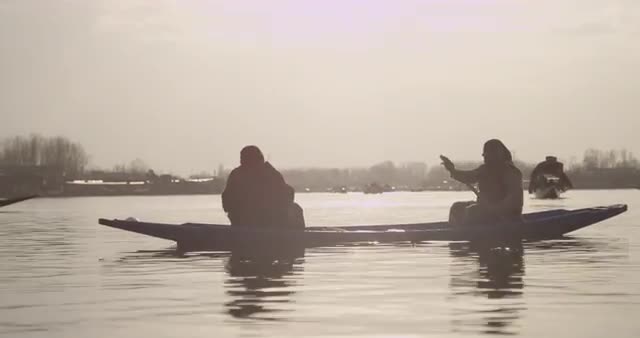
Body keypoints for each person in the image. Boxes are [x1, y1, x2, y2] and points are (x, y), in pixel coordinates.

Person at [440, 139, 523, 226]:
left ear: (498, 155)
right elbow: (469, 176)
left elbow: (514, 199)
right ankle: (455, 231)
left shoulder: (511, 172)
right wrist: (453, 170)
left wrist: (494, 208)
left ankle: (467, 232)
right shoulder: (484, 169)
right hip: (487, 210)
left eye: (488, 155)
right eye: (484, 155)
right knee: (457, 207)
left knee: (472, 211)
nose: (485, 157)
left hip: (507, 216)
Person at [222, 145, 304, 228]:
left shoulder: (236, 174)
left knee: (295, 208)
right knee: (296, 208)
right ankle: (297, 237)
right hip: (264, 221)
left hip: (243, 221)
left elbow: (226, 203)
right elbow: (288, 193)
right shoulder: (269, 172)